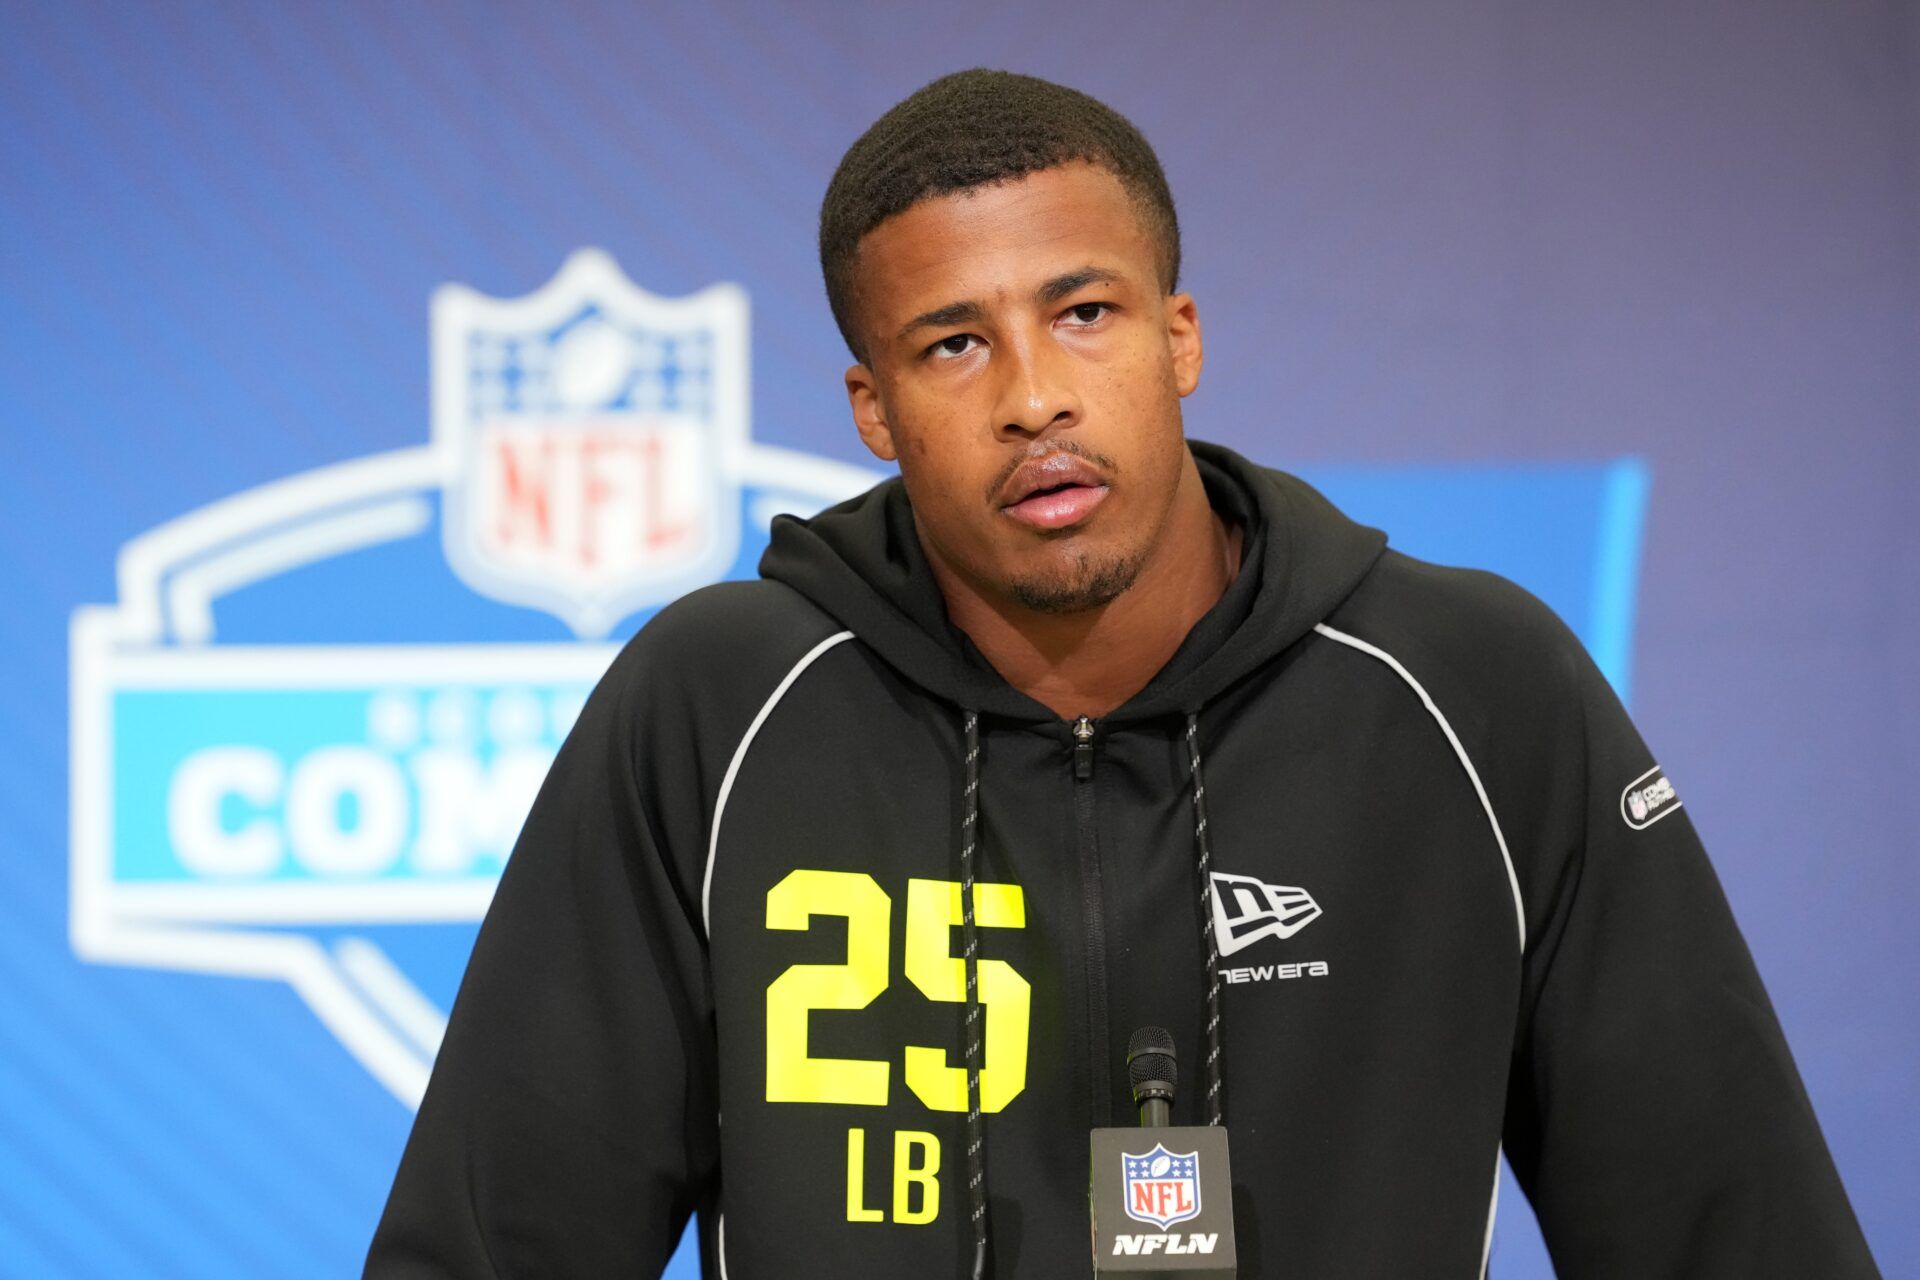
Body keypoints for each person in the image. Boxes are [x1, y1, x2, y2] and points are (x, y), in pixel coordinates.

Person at [367, 70, 1878, 1279]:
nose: (1034, 397)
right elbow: (496, 1244)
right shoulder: (716, 705)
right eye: (952, 345)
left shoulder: (1473, 689)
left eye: (1083, 314)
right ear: (872, 408)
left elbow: (1731, 1228)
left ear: (1179, 337)